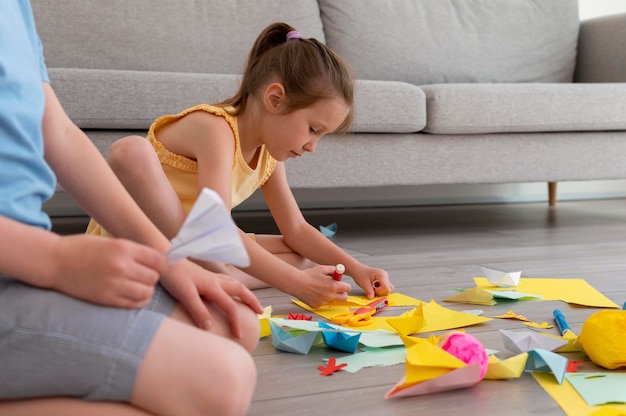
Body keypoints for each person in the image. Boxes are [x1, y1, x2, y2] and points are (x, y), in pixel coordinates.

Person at [0, 2, 263, 415]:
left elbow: (60, 134)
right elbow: (215, 227)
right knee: (223, 380)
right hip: (23, 263)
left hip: (21, 261)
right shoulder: (217, 129)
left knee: (234, 323)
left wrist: (170, 262)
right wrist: (54, 260)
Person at [87, 22, 395, 309]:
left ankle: (222, 275)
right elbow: (213, 226)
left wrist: (357, 268)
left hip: (196, 246)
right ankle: (218, 274)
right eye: (313, 129)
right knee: (134, 151)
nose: (312, 146)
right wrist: (297, 285)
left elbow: (296, 229)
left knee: (300, 254)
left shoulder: (269, 153)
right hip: (137, 238)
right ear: (275, 99)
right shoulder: (216, 129)